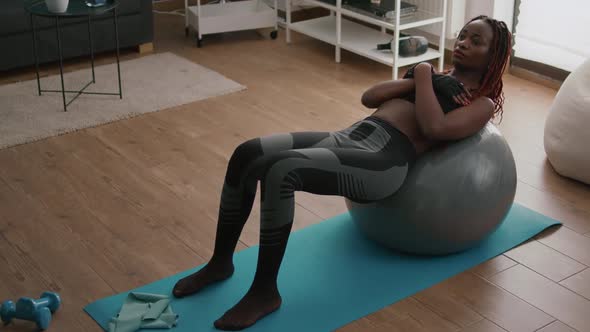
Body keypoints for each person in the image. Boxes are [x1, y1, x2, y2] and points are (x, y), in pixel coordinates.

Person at [172, 15, 512, 331]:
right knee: (248, 152)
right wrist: (429, 76)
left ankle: (264, 292)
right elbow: (371, 97)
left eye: (476, 40)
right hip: (351, 136)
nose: (464, 42)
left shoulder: (478, 103)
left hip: (383, 161)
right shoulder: (436, 78)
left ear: (493, 55)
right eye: (463, 35)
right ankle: (220, 263)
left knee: (281, 170)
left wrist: (423, 74)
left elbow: (434, 127)